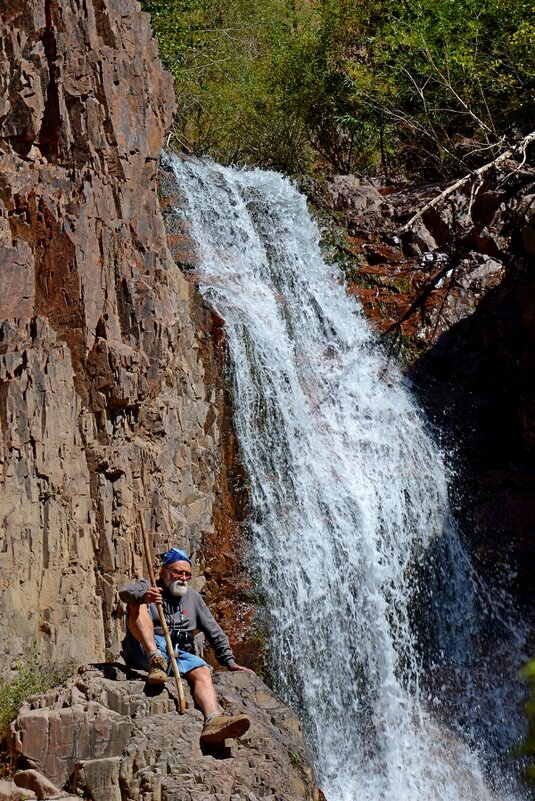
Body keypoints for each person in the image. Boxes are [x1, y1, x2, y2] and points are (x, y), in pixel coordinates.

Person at [119, 547, 253, 745]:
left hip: (176, 652)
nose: (183, 577)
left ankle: (213, 720)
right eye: (178, 572)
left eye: (187, 574)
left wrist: (229, 661)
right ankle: (155, 659)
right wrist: (144, 596)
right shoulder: (148, 586)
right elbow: (124, 593)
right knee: (136, 606)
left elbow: (214, 631)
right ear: (164, 572)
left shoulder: (193, 598)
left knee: (202, 671)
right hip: (144, 649)